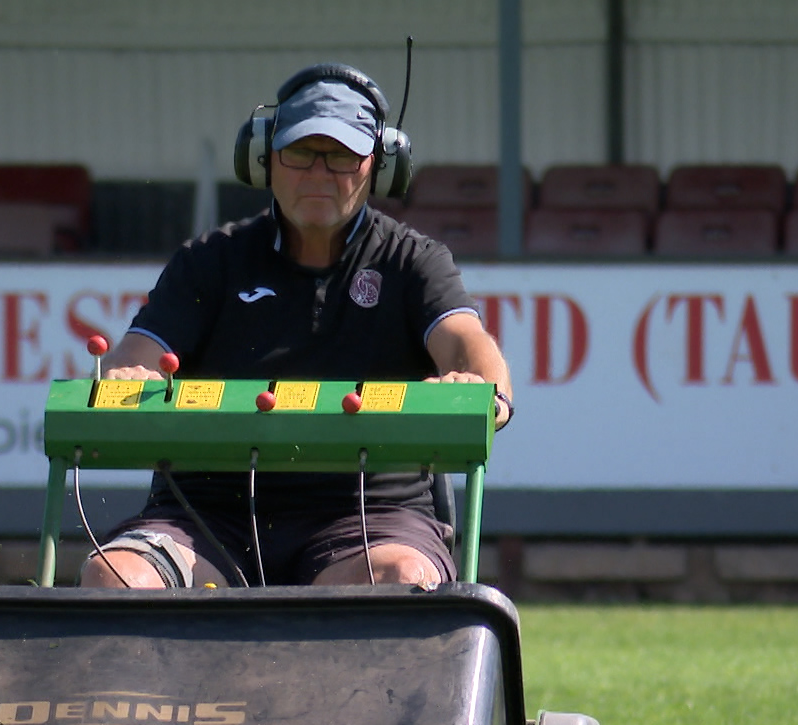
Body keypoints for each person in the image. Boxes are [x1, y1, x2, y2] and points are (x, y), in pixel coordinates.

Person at [81, 64, 513, 590]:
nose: (318, 172)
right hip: (206, 515)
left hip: (372, 517)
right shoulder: (209, 261)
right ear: (265, 158)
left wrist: (482, 389)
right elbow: (138, 355)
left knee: (401, 576)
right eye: (301, 152)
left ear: (379, 164)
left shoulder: (415, 262)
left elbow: (469, 346)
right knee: (115, 576)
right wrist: (131, 376)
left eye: (341, 155)